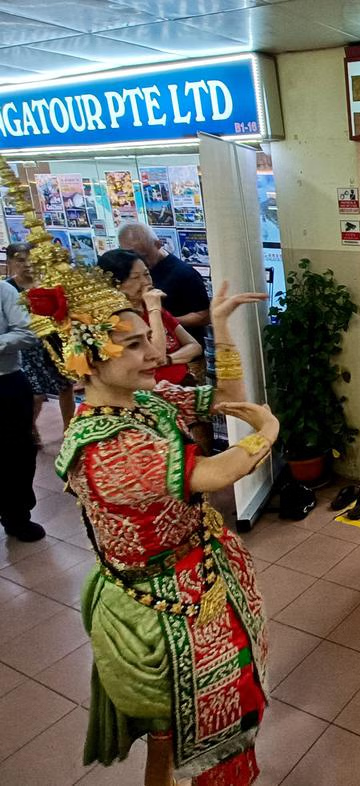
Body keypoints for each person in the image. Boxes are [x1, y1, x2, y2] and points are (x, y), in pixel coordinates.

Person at [4, 157, 274, 786]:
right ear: (82, 361)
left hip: (198, 577)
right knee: (198, 730)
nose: (155, 349)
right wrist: (270, 434)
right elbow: (215, 474)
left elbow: (223, 397)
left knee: (184, 735)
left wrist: (226, 327)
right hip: (162, 606)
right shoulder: (104, 444)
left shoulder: (147, 401)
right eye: (132, 345)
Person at [97, 248, 202, 386]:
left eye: (147, 274)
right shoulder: (117, 320)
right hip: (149, 392)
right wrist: (153, 309)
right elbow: (156, 355)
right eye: (135, 277)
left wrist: (168, 359)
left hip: (180, 384)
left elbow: (195, 347)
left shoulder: (155, 309)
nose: (146, 282)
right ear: (116, 284)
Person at [6, 241, 76, 443]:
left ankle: (69, 429)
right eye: (20, 260)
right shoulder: (8, 290)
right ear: (10, 262)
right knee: (35, 394)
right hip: (25, 348)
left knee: (66, 386)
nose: (26, 264)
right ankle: (30, 428)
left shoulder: (47, 284)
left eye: (30, 259)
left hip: (52, 341)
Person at [117, 222, 211, 349]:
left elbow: (203, 316)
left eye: (144, 256)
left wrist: (163, 320)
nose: (140, 262)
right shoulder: (124, 271)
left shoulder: (184, 273)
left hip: (182, 349)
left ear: (158, 244)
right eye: (131, 256)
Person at [0, 276, 42, 542]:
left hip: (5, 382)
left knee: (18, 453)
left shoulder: (3, 290)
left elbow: (27, 332)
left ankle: (17, 516)